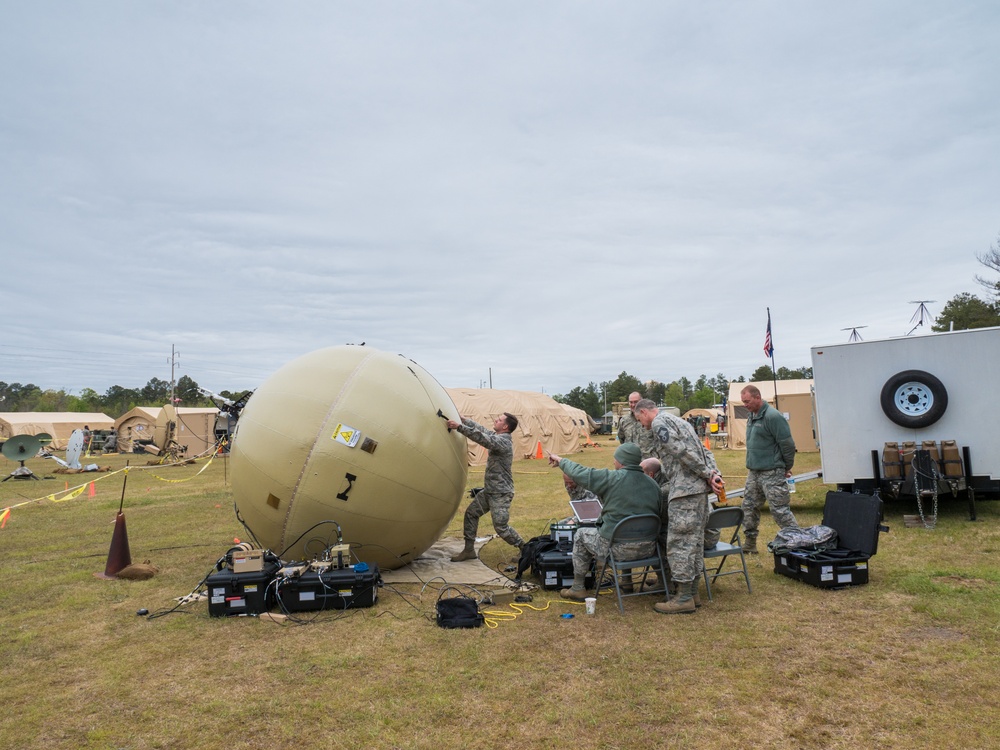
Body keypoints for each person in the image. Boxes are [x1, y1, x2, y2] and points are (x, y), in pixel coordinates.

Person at [634, 399, 724, 614]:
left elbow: (680, 451)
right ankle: (692, 593)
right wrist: (714, 473)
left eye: (640, 419)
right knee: (694, 543)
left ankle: (683, 597)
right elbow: (704, 451)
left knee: (679, 544)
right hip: (699, 491)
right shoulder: (682, 422)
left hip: (685, 491)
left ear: (645, 412)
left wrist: (707, 473)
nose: (642, 424)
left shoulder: (659, 423)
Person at [547, 443, 661, 601]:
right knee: (627, 530)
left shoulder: (612, 478)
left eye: (615, 460)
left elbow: (582, 473)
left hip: (616, 550)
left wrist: (560, 460)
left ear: (621, 461)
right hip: (648, 549)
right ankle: (626, 582)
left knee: (580, 534)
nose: (614, 463)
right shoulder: (654, 485)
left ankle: (578, 587)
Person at [446, 412, 525, 562]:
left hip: (501, 493)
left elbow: (484, 439)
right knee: (471, 514)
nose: (496, 420)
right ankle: (469, 550)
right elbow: (483, 431)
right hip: (490, 491)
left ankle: (525, 549)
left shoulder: (504, 442)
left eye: (500, 420)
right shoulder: (498, 437)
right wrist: (465, 420)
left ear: (505, 426)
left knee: (501, 527)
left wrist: (460, 427)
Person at [739, 385, 799, 554]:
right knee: (748, 508)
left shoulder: (773, 417)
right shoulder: (752, 415)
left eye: (747, 401)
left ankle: (797, 541)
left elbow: (787, 444)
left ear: (758, 397)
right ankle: (750, 544)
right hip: (754, 472)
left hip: (772, 471)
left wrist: (786, 467)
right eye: (743, 402)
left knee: (779, 510)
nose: (745, 405)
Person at [617, 391, 655, 457]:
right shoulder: (624, 421)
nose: (633, 405)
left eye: (636, 402)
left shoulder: (650, 419)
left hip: (648, 461)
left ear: (642, 402)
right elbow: (621, 439)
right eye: (631, 402)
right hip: (630, 461)